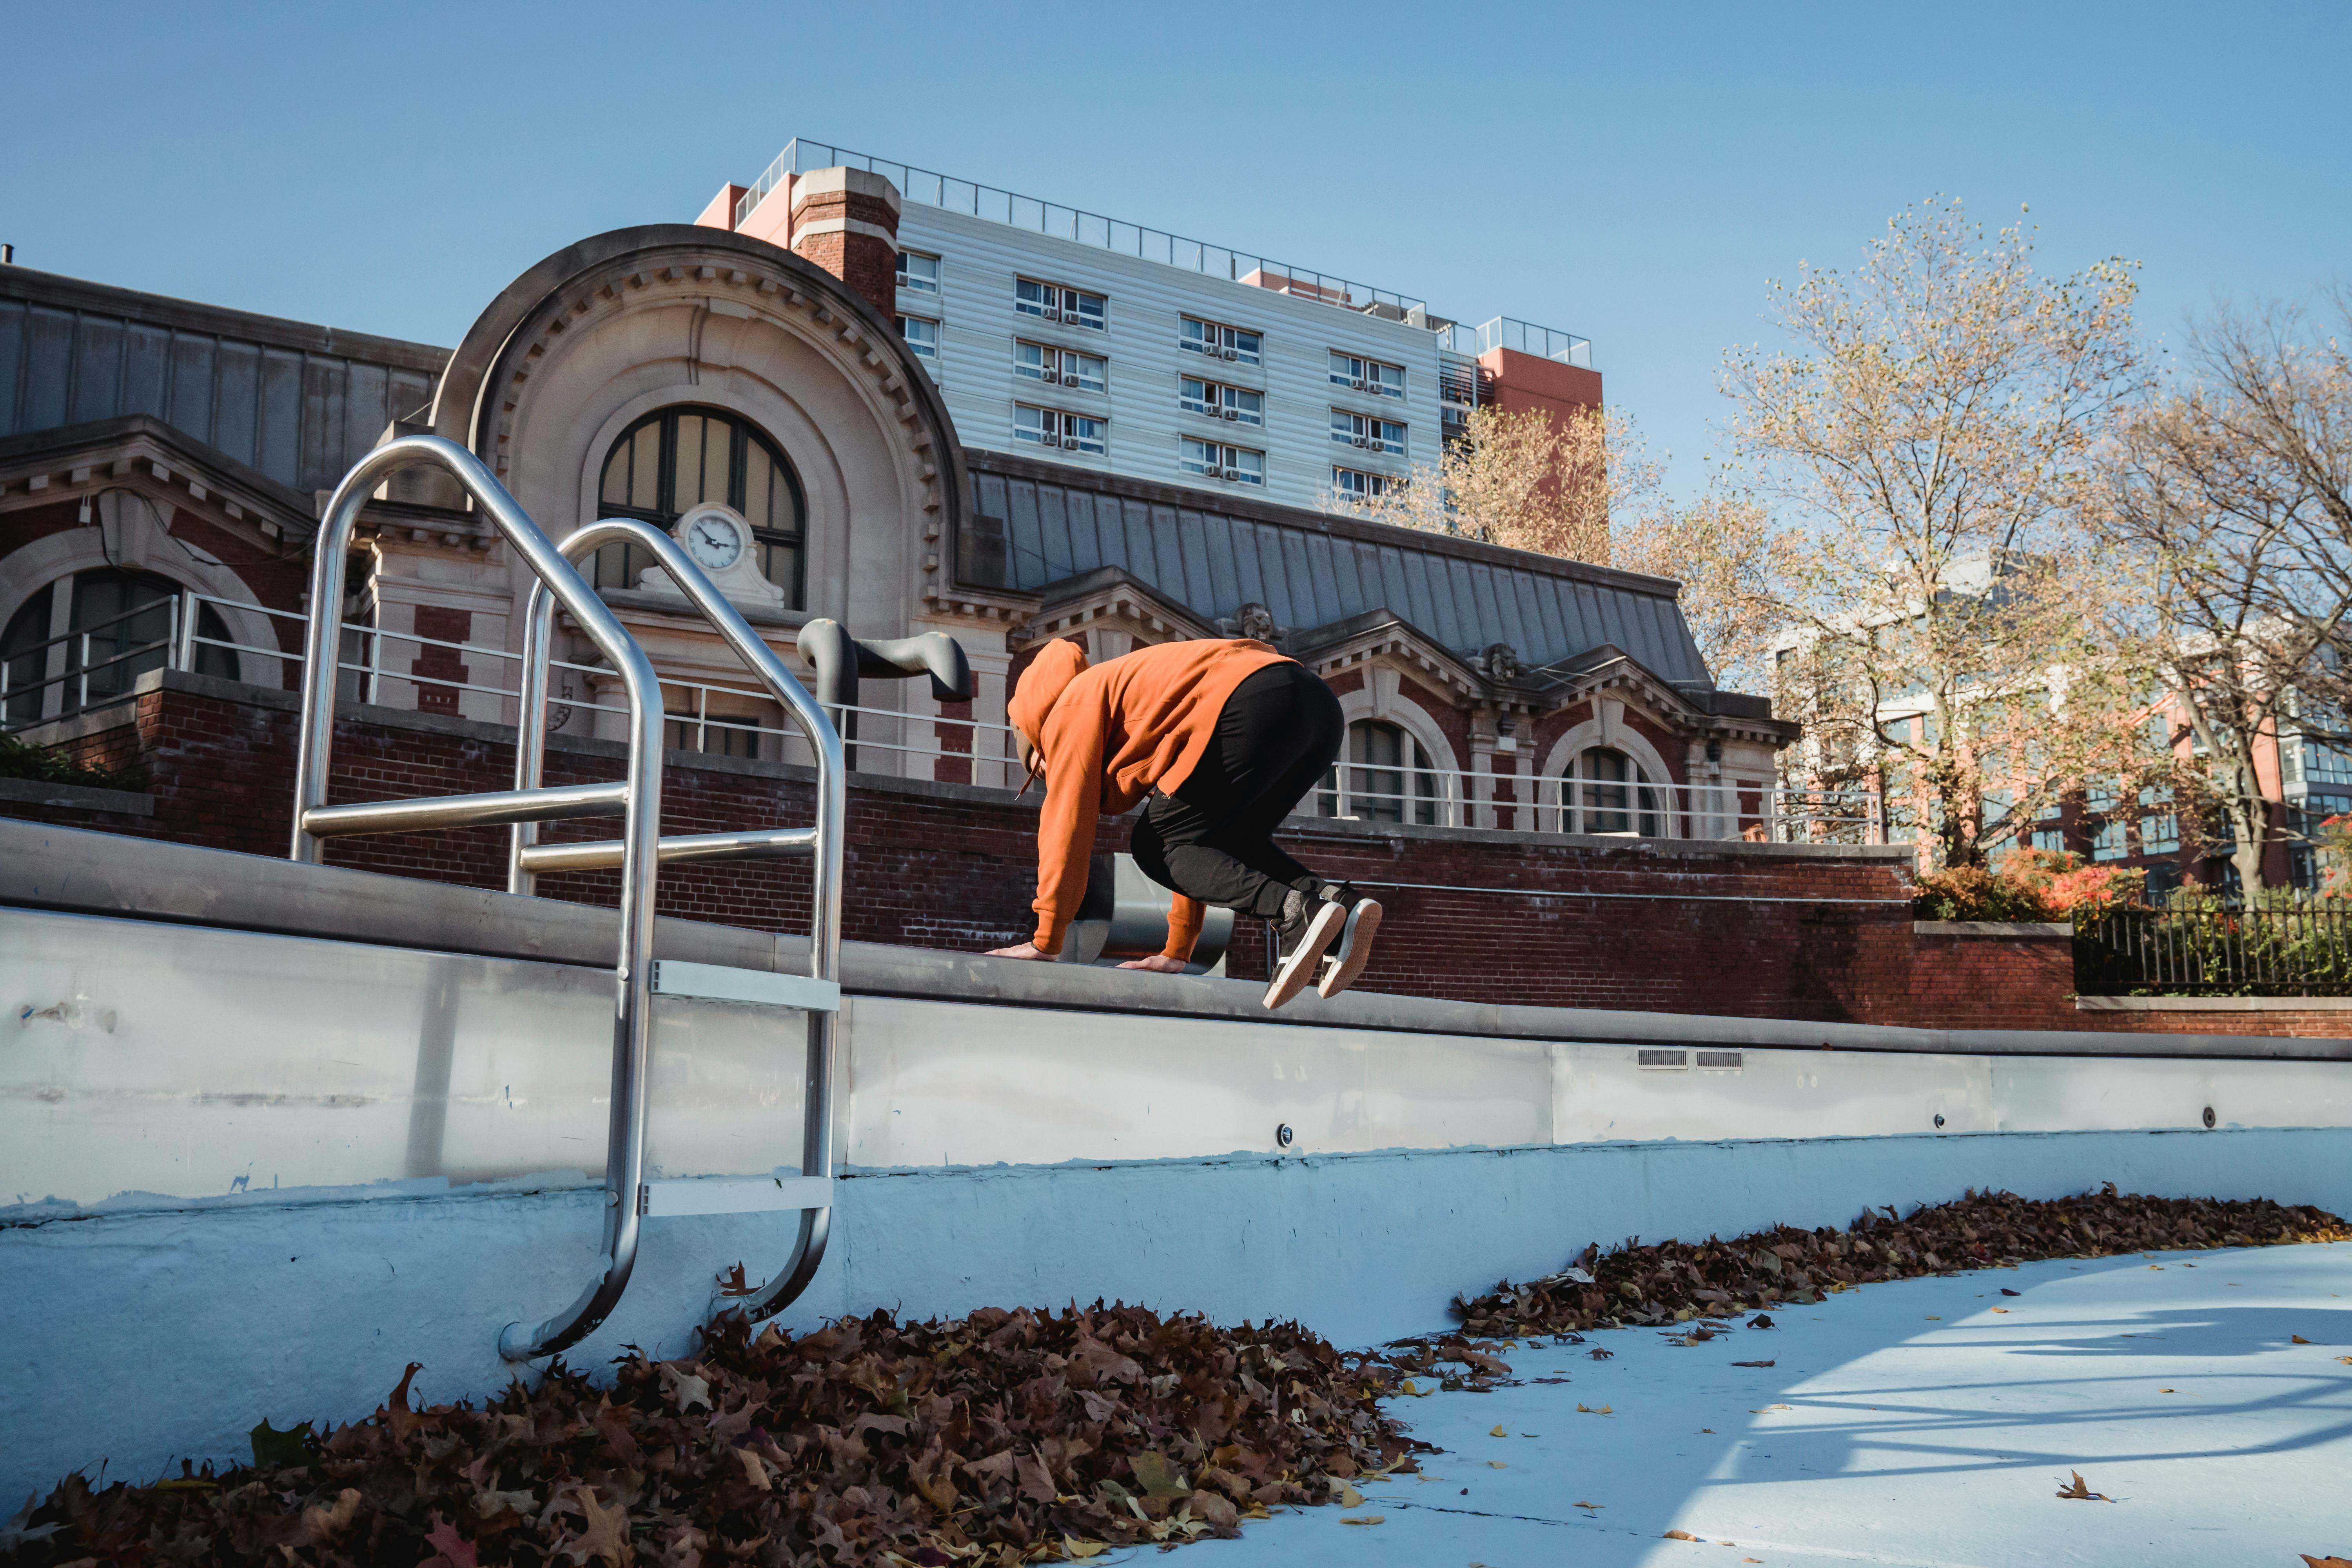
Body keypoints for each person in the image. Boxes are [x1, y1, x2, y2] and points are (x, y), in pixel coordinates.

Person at [984, 635, 1383, 1009]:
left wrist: (1046, 940)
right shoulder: (1131, 698)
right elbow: (1198, 848)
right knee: (1229, 840)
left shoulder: (1070, 708)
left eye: (1038, 770)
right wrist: (1178, 952)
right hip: (1317, 707)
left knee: (1154, 844)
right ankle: (1340, 905)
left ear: (1035, 740)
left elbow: (1067, 824)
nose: (1048, 778)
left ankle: (1296, 912)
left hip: (1248, 701)